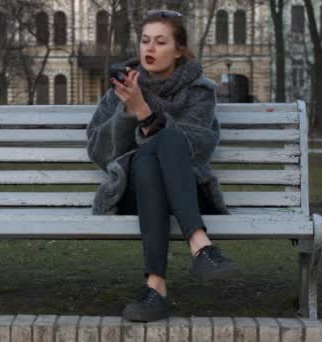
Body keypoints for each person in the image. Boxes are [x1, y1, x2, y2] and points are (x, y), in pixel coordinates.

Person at [86, 9, 241, 322]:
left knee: (167, 143)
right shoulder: (121, 90)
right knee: (148, 161)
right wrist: (130, 112)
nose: (149, 49)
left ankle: (155, 289)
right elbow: (98, 150)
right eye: (145, 41)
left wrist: (146, 114)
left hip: (188, 195)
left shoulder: (200, 91)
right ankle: (201, 246)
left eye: (160, 41)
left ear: (179, 49)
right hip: (134, 196)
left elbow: (199, 147)